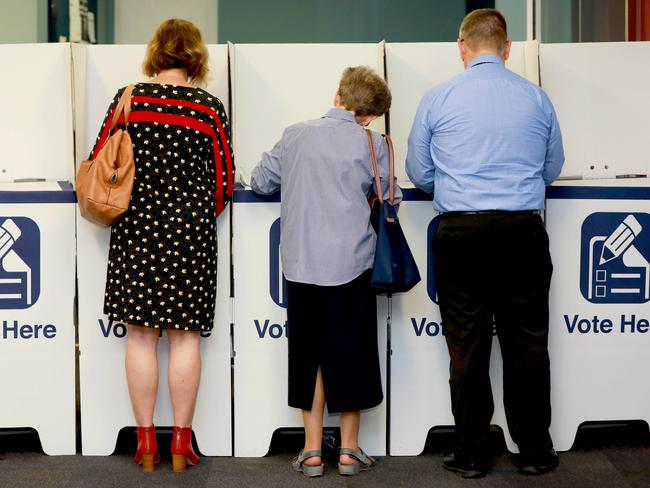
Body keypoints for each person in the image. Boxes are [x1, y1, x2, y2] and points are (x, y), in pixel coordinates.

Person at [406, 8, 564, 479]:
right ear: (507, 46)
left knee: (467, 347)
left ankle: (473, 454)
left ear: (462, 47)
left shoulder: (438, 99)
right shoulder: (537, 99)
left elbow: (420, 173)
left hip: (462, 234)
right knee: (528, 344)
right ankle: (534, 451)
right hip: (522, 232)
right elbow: (551, 169)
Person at [89, 19, 234, 472]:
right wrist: (190, 213)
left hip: (136, 233)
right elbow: (224, 182)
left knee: (140, 336)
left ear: (156, 52)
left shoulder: (129, 98)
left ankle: (146, 442)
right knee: (186, 337)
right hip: (190, 237)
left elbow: (100, 160)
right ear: (196, 57)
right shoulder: (208, 109)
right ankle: (181, 445)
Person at [250, 66, 400, 477]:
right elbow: (391, 197)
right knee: (351, 353)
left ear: (337, 95)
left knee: (308, 356)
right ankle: (350, 451)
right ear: (370, 115)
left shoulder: (295, 133)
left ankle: (312, 451)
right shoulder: (374, 143)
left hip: (301, 265)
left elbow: (261, 180)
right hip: (352, 265)